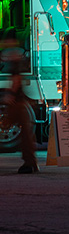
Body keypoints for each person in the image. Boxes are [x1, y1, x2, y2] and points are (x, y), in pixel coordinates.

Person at [1, 28, 37, 174]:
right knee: (25, 134)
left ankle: (29, 163)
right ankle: (30, 163)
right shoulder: (18, 54)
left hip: (16, 102)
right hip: (19, 101)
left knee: (24, 134)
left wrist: (9, 94)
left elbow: (16, 78)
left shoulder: (12, 55)